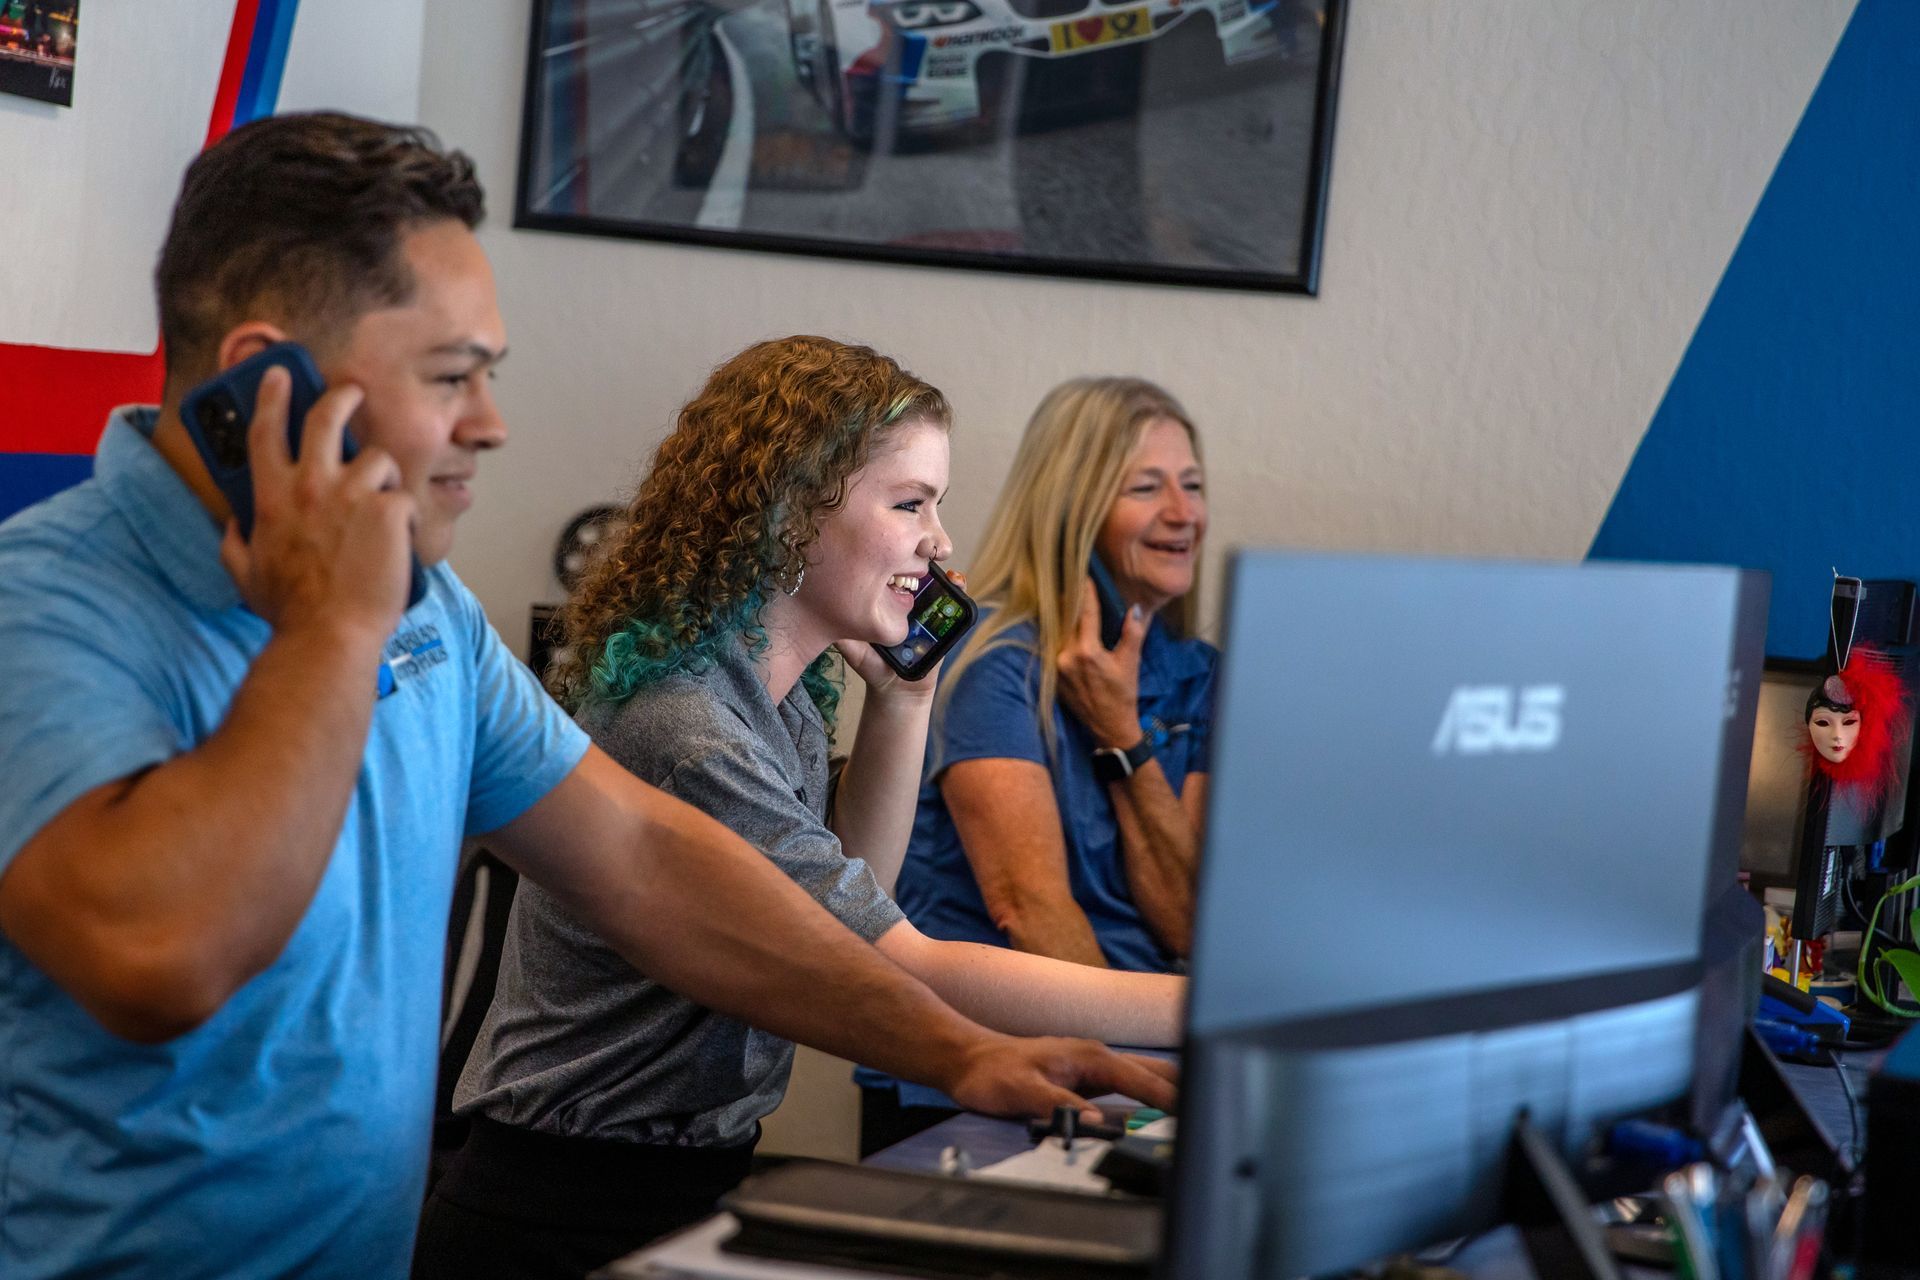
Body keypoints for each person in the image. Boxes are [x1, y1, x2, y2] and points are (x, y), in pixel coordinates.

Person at [0, 115, 1173, 1280]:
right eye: (450, 376)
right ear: (271, 382)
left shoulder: (427, 609)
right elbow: (156, 955)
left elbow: (641, 859)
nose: (490, 424)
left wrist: (956, 1050)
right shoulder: (45, 609)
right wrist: (335, 628)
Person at [411, 336, 1185, 1279]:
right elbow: (891, 958)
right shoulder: (689, 730)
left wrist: (902, 703)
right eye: (910, 504)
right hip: (560, 1206)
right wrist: (1206, 1007)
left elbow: (853, 905)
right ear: (789, 515)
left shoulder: (780, 706)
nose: (940, 542)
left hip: (680, 1178)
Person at [864, 376, 1213, 1150]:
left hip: (1145, 1053)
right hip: (998, 1068)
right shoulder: (994, 661)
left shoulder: (1199, 674)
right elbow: (1029, 908)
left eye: (1192, 486)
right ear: (1074, 506)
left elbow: (1190, 920)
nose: (1184, 513)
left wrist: (1123, 737)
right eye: (1147, 488)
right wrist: (1128, 1078)